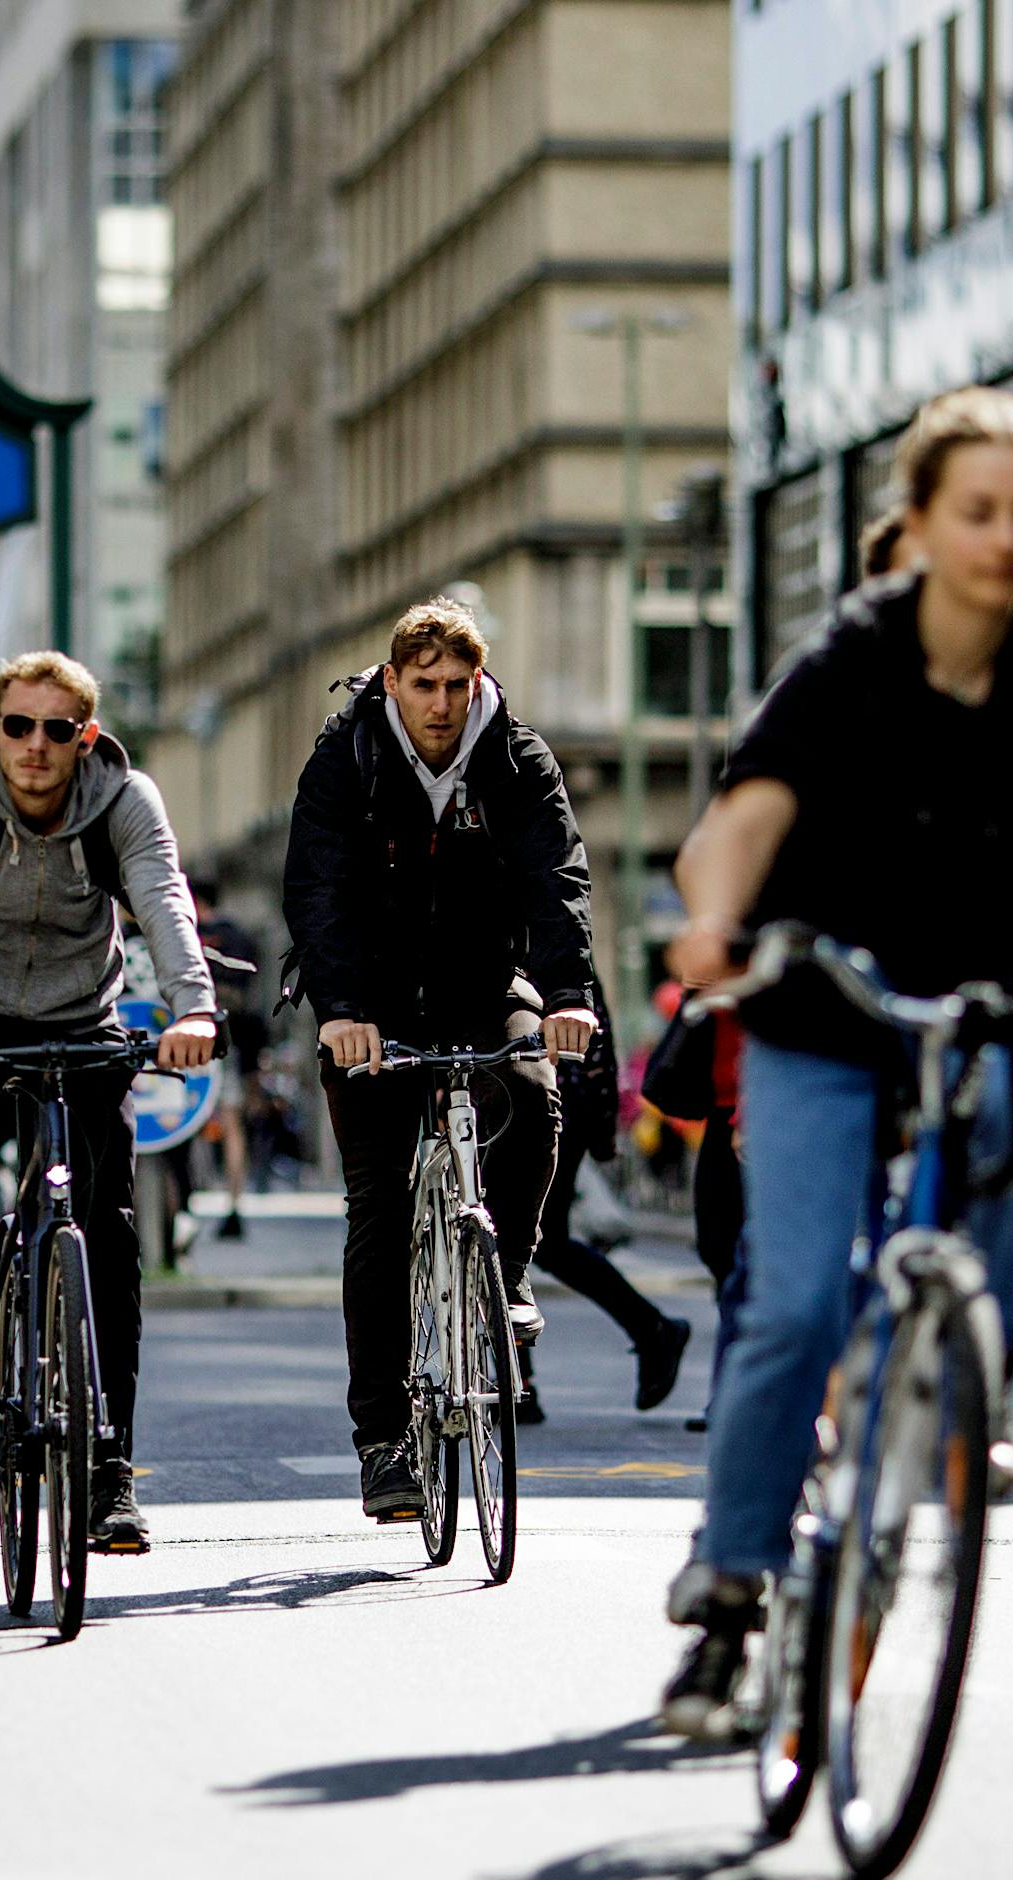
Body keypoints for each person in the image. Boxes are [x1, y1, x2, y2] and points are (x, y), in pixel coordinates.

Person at [657, 385, 1013, 1740]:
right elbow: (746, 812)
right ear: (925, 521)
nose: (1006, 538)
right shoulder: (850, 659)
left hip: (983, 999)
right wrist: (713, 921)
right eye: (979, 512)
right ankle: (730, 1590)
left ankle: (963, 1378)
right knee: (791, 1310)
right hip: (824, 1006)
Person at [0, 649, 217, 1554]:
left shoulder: (124, 800)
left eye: (58, 729)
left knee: (107, 1232)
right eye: (19, 726)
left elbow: (163, 896)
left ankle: (110, 1473)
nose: (36, 745)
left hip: (81, 1012)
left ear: (86, 737)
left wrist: (194, 1007)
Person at [282, 593, 602, 1521]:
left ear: (478, 682)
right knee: (380, 1208)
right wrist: (342, 1011)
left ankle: (507, 1275)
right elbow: (317, 889)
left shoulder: (516, 758)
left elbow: (557, 876)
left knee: (535, 1093)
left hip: (482, 984)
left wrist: (568, 995)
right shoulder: (346, 757)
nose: (443, 703)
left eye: (459, 685)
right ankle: (384, 1442)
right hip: (370, 1006)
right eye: (424, 684)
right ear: (392, 681)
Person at [517, 1029, 692, 1422]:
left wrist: (604, 1123)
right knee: (530, 1241)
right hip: (514, 1097)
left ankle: (519, 1384)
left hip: (553, 1101)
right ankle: (652, 1329)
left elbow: (595, 1027)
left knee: (525, 1238)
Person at [192, 879, 263, 1240]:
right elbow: (250, 993)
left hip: (189, 1040)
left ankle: (182, 1210)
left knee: (181, 1124)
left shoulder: (186, 933)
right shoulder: (239, 937)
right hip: (230, 1041)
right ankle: (234, 1204)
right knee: (233, 1125)